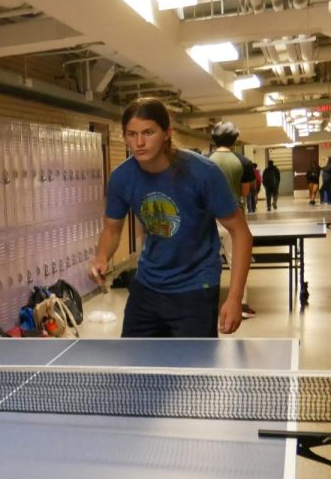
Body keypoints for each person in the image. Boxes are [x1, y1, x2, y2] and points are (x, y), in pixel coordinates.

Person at [89, 98, 251, 337]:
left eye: (148, 132)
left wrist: (235, 298)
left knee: (192, 372)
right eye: (132, 134)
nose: (139, 142)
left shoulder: (203, 173)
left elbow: (241, 233)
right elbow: (112, 229)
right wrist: (102, 257)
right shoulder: (122, 178)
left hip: (196, 287)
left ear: (167, 133)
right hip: (147, 286)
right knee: (134, 370)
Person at [206, 121, 257, 318]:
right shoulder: (243, 162)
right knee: (236, 259)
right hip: (234, 218)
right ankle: (242, 304)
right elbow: (245, 191)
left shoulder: (206, 160)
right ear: (235, 140)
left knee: (207, 260)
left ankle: (208, 302)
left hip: (209, 217)